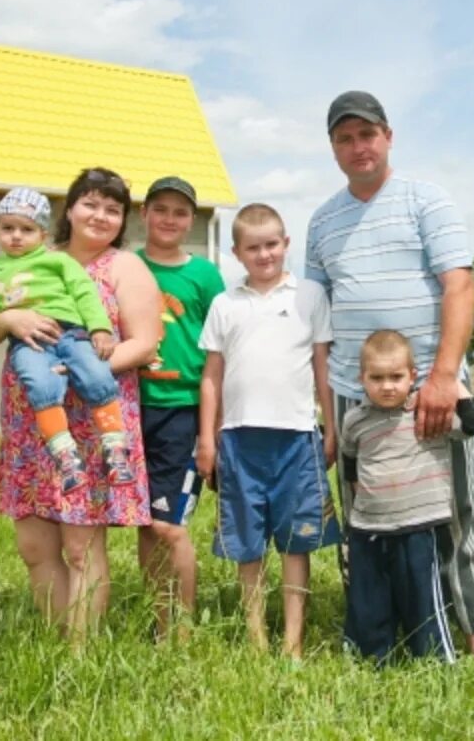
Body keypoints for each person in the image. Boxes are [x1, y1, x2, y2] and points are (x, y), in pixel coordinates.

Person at [306, 90, 474, 667]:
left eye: (366, 134)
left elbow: (460, 287)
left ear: (388, 136)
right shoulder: (322, 221)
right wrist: (328, 412)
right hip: (354, 394)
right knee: (370, 523)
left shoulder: (428, 200)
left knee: (458, 515)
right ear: (333, 148)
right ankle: (385, 634)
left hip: (429, 392)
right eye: (344, 138)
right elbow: (320, 326)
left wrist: (444, 376)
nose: (357, 146)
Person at [0, 168, 162, 642]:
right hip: (31, 420)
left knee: (81, 546)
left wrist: (80, 373)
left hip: (92, 420)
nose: (100, 216)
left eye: (113, 209)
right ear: (69, 209)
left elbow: (144, 342)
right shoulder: (33, 255)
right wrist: (9, 318)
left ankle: (81, 653)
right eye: (90, 204)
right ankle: (57, 643)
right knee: (34, 545)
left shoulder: (123, 267)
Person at [196, 203, 341, 657]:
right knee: (247, 543)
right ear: (237, 252)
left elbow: (323, 367)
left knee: (297, 543)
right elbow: (211, 377)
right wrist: (207, 438)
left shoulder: (310, 296)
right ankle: (256, 637)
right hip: (238, 440)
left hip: (297, 438)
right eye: (253, 247)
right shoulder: (225, 303)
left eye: (272, 244)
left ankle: (293, 643)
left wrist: (331, 426)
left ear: (286, 244)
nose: (264, 255)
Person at [0, 187, 138, 493]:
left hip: (73, 335)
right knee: (39, 384)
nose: (17, 236)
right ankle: (65, 455)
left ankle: (115, 448)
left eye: (27, 229)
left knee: (97, 376)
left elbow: (84, 293)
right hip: (30, 344)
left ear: (43, 233)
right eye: (7, 228)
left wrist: (99, 329)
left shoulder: (58, 261)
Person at [341, 330, 474, 664]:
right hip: (368, 529)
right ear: (362, 379)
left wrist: (449, 379)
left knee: (423, 598)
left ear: (412, 377)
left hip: (419, 526)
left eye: (396, 377)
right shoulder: (354, 420)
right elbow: (350, 464)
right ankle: (373, 661)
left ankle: (434, 661)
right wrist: (360, 501)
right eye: (376, 378)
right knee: (370, 601)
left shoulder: (426, 411)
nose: (387, 386)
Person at [134, 175, 226, 639]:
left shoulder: (205, 275)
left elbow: (219, 351)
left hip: (182, 410)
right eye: (161, 209)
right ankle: (159, 620)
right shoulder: (125, 267)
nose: (170, 219)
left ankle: (183, 627)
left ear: (192, 219)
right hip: (130, 406)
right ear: (144, 213)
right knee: (145, 524)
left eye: (181, 212)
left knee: (169, 525)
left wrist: (216, 429)